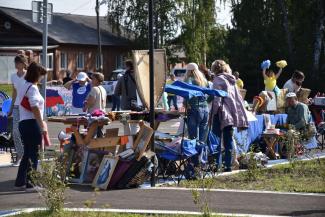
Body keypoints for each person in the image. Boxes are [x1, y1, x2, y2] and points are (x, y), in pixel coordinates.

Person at [15, 62, 47, 191]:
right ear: (37, 74)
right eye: (42, 75)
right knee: (34, 154)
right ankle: (31, 184)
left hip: (23, 122)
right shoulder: (33, 88)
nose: (42, 78)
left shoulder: (24, 85)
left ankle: (20, 182)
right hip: (32, 123)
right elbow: (34, 107)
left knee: (27, 153)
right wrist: (42, 125)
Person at [211, 60, 248, 172]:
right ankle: (228, 165)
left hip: (220, 113)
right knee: (229, 141)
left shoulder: (218, 79)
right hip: (231, 115)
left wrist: (213, 112)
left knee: (216, 140)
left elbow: (217, 98)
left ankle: (216, 166)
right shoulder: (232, 80)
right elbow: (238, 98)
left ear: (214, 69)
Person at [8, 54, 28, 166]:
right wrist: (11, 108)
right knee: (15, 131)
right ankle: (20, 155)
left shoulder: (29, 75)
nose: (16, 64)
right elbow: (14, 92)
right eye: (15, 62)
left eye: (18, 62)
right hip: (16, 107)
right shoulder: (13, 76)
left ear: (23, 63)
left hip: (26, 107)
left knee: (25, 131)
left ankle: (27, 155)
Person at [184, 63, 209, 142]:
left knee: (193, 137)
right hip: (205, 109)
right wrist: (206, 102)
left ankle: (195, 154)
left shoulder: (189, 80)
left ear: (189, 71)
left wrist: (185, 103)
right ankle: (201, 153)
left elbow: (187, 94)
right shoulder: (204, 80)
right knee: (202, 138)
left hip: (193, 108)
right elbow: (211, 95)